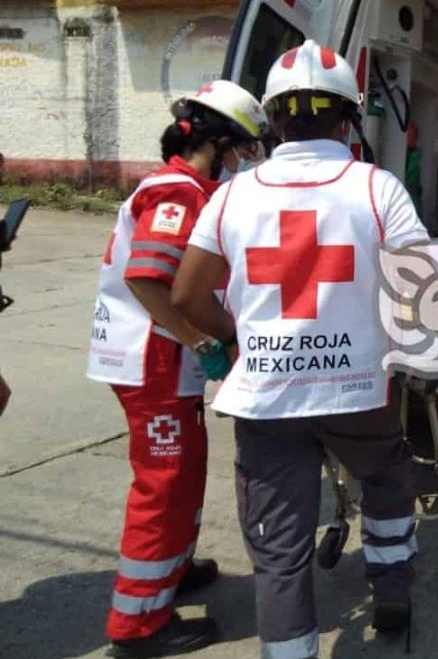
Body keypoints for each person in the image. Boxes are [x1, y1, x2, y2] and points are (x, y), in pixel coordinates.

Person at [172, 41, 429, 659]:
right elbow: (420, 284)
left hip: (265, 396)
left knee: (280, 549)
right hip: (360, 390)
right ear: (347, 118)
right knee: (387, 481)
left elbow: (185, 293)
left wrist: (240, 341)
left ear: (273, 120)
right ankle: (392, 591)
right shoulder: (377, 188)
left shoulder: (231, 194)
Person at [86, 81, 267, 658]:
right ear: (217, 144)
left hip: (161, 361)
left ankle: (171, 571)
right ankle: (137, 625)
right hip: (153, 360)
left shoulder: (182, 187)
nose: (240, 164)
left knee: (185, 472)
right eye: (239, 150)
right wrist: (199, 337)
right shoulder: (177, 192)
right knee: (163, 487)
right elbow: (147, 276)